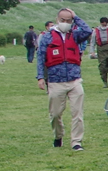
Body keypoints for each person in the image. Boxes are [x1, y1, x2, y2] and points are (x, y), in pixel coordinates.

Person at [35, 9, 93, 151]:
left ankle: (76, 141)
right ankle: (58, 135)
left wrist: (76, 17)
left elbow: (88, 31)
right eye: (63, 20)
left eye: (68, 20)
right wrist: (40, 77)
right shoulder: (47, 37)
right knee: (55, 114)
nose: (65, 23)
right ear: (57, 19)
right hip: (55, 81)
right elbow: (41, 58)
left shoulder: (75, 35)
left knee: (77, 113)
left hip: (74, 80)